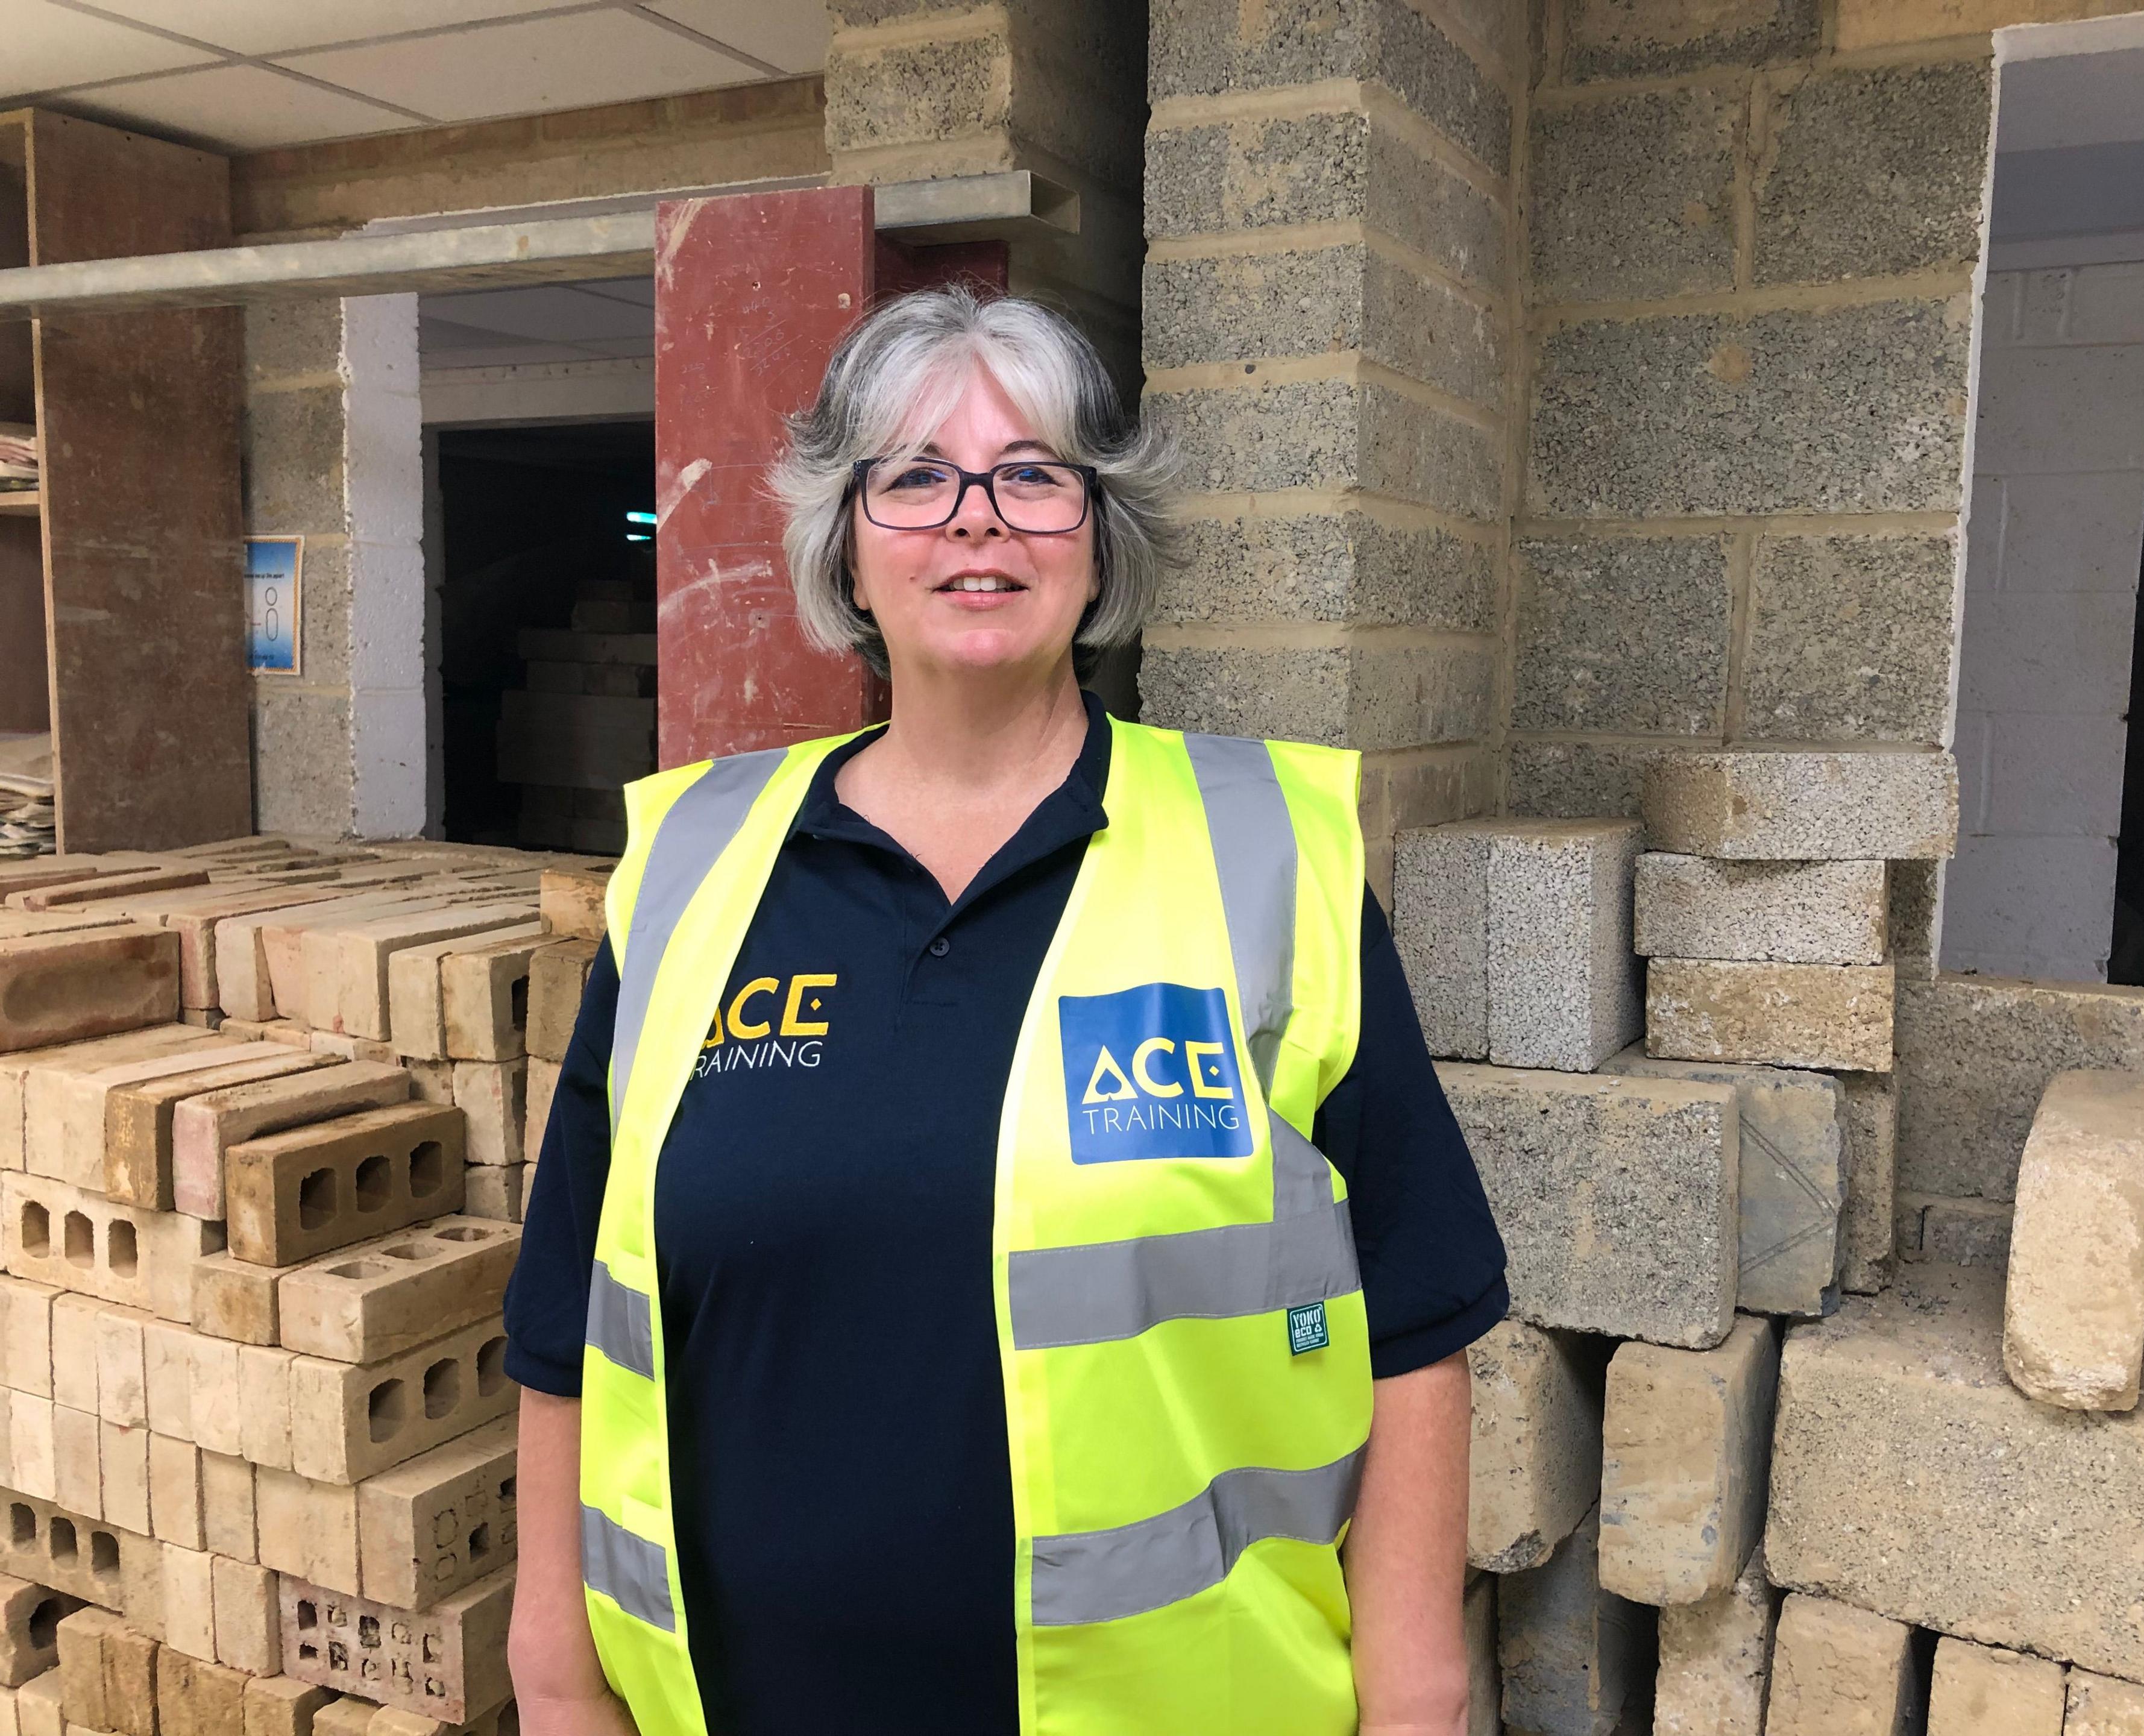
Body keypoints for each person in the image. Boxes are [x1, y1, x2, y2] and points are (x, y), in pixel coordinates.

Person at [503, 286, 1509, 1736]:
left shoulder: (1267, 857)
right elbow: (566, 1321)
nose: (978, 518)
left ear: (1101, 535)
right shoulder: (693, 871)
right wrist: (554, 1677)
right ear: (846, 540)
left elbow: (1417, 1324)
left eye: (1033, 475)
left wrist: (1415, 1703)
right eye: (915, 476)